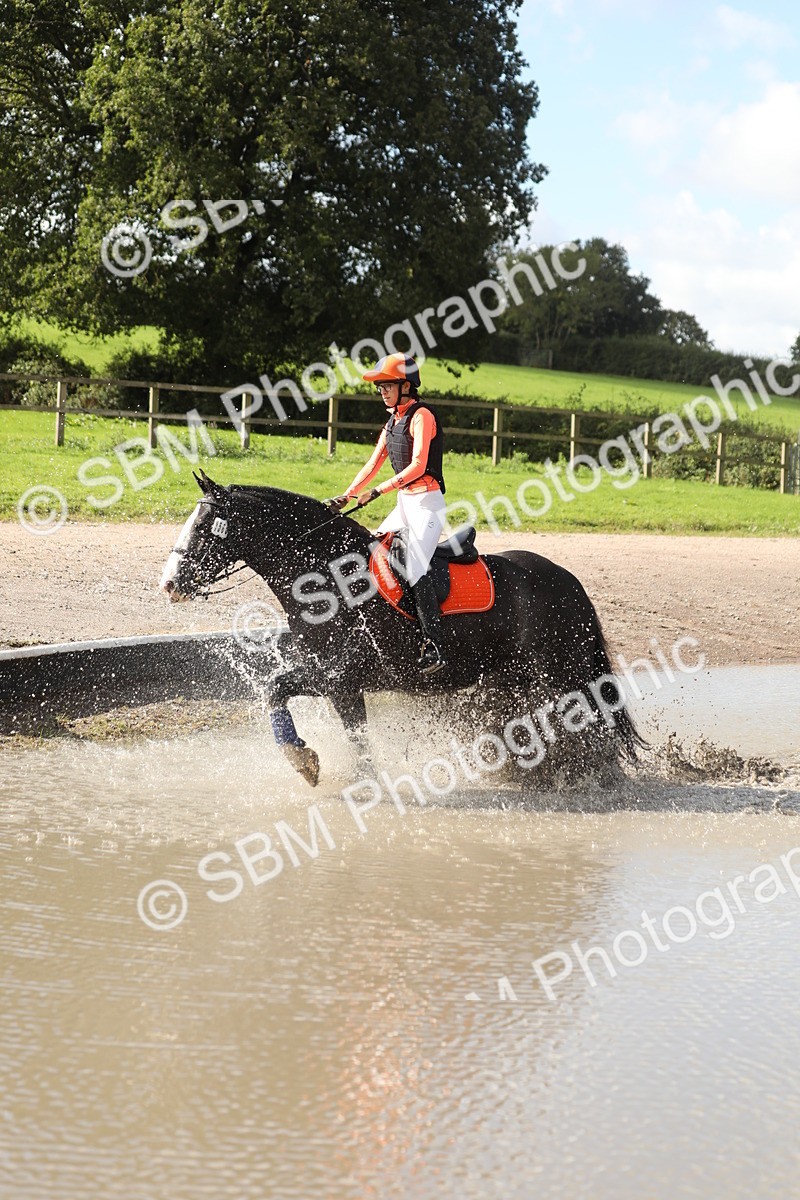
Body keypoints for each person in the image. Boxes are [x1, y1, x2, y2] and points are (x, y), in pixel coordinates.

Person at [326, 352, 448, 674]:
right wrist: (348, 494)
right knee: (373, 552)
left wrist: (378, 491)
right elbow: (373, 462)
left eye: (387, 385)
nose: (382, 391)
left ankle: (434, 644)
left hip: (427, 506)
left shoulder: (423, 416)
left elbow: (419, 465)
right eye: (379, 387)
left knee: (416, 566)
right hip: (405, 504)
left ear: (406, 385)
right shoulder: (393, 420)